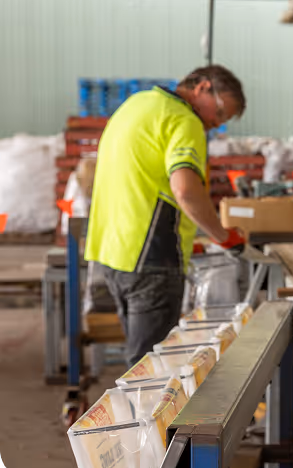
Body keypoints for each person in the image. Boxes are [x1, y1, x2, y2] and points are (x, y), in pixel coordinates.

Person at [85, 65, 250, 367]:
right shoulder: (184, 120)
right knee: (151, 374)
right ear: (202, 87)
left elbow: (146, 182)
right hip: (151, 261)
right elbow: (185, 190)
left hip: (112, 254)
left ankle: (133, 412)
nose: (216, 123)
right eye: (221, 112)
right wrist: (223, 237)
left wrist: (190, 238)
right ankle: (136, 415)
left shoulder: (137, 104)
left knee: (140, 363)